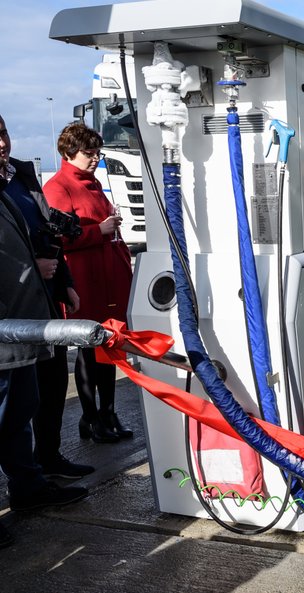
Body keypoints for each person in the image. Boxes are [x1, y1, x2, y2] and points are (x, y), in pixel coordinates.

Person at [1, 125, 88, 546]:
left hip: (25, 321)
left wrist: (58, 275)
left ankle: (29, 487)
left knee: (21, 411)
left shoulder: (15, 179)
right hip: (5, 324)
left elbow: (45, 236)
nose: (2, 142)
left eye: (2, 132)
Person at [44, 122, 135, 443]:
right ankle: (91, 417)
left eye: (98, 152)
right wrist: (101, 231)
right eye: (89, 153)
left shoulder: (91, 182)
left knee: (108, 346)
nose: (95, 158)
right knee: (88, 347)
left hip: (107, 275)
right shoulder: (58, 186)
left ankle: (108, 413)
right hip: (86, 278)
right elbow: (59, 238)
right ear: (70, 153)